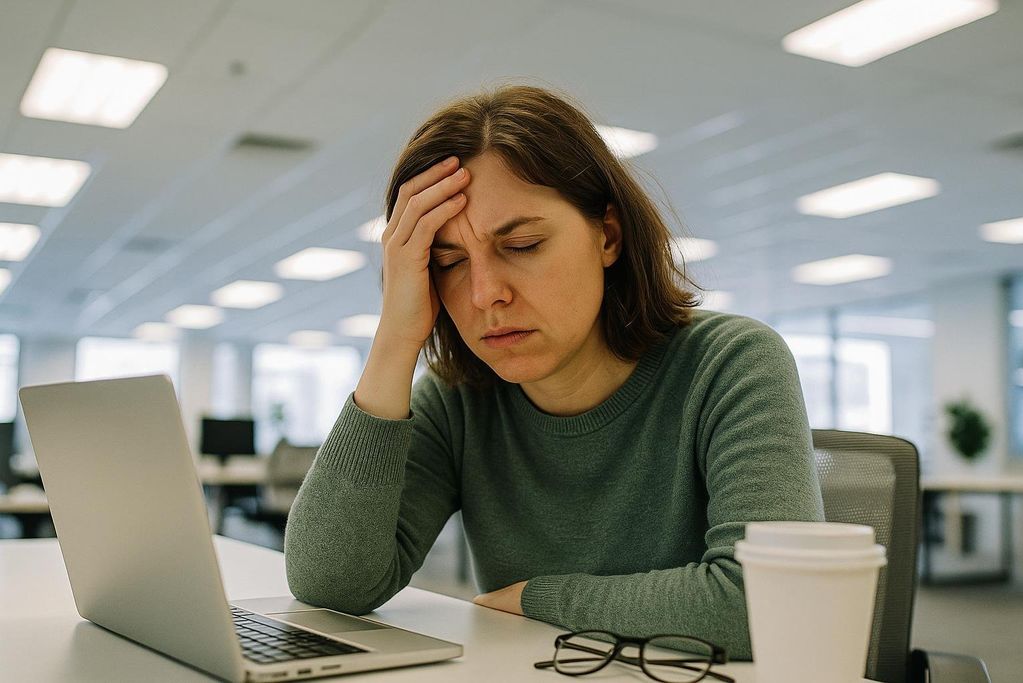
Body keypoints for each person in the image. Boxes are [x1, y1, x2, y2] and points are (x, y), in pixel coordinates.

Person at [284, 85, 824, 659]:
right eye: (449, 262)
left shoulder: (730, 364)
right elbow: (329, 585)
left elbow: (771, 601)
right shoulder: (459, 400)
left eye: (522, 243)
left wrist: (540, 599)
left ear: (607, 236)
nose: (486, 294)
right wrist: (396, 337)